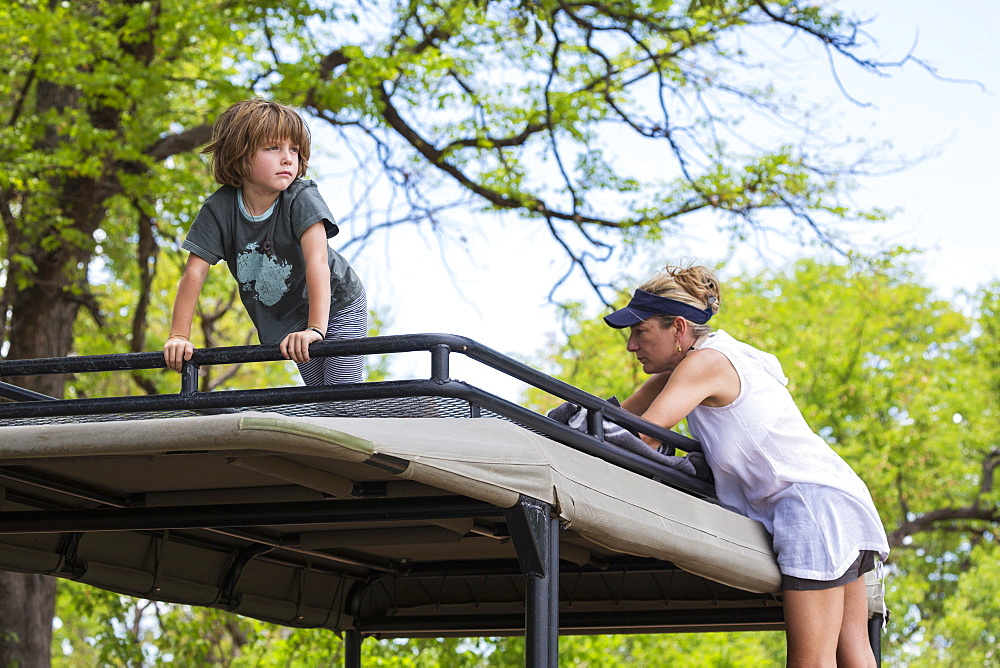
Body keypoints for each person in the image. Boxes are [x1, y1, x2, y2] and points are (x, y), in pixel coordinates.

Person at [604, 264, 888, 668]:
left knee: (811, 662)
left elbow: (642, 436)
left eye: (640, 331)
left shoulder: (705, 364)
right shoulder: (724, 356)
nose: (632, 345)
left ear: (679, 329)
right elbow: (610, 420)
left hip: (809, 507)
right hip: (837, 497)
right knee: (855, 652)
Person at [163, 98, 367, 386]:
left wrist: (316, 330)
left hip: (336, 302)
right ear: (239, 155)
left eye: (294, 149)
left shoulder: (300, 197)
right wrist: (178, 336)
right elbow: (194, 272)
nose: (287, 158)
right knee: (323, 399)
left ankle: (418, 408)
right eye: (273, 148)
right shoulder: (220, 209)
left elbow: (317, 260)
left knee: (340, 395)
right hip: (288, 319)